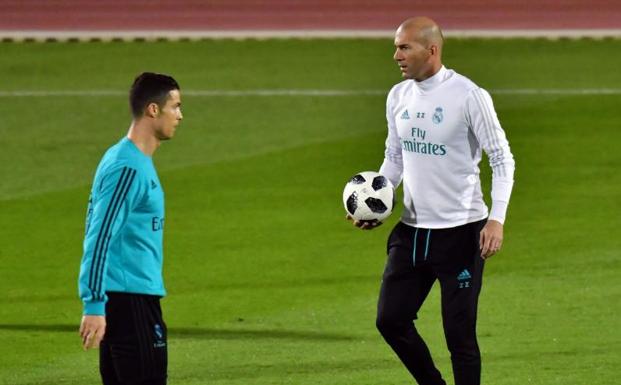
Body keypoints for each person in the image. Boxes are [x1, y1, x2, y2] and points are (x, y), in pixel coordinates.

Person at [349, 17, 515, 385]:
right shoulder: (398, 96)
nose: (396, 55)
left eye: (405, 47)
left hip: (461, 232)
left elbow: (502, 158)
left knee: (460, 338)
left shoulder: (469, 96)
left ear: (432, 50)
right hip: (412, 232)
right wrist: (378, 201)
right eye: (396, 47)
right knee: (390, 320)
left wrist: (497, 218)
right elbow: (395, 158)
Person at [78, 72, 183, 385]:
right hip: (129, 299)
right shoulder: (128, 167)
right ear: (153, 110)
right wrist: (94, 304)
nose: (180, 115)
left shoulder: (128, 159)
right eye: (175, 106)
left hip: (127, 297)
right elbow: (98, 236)